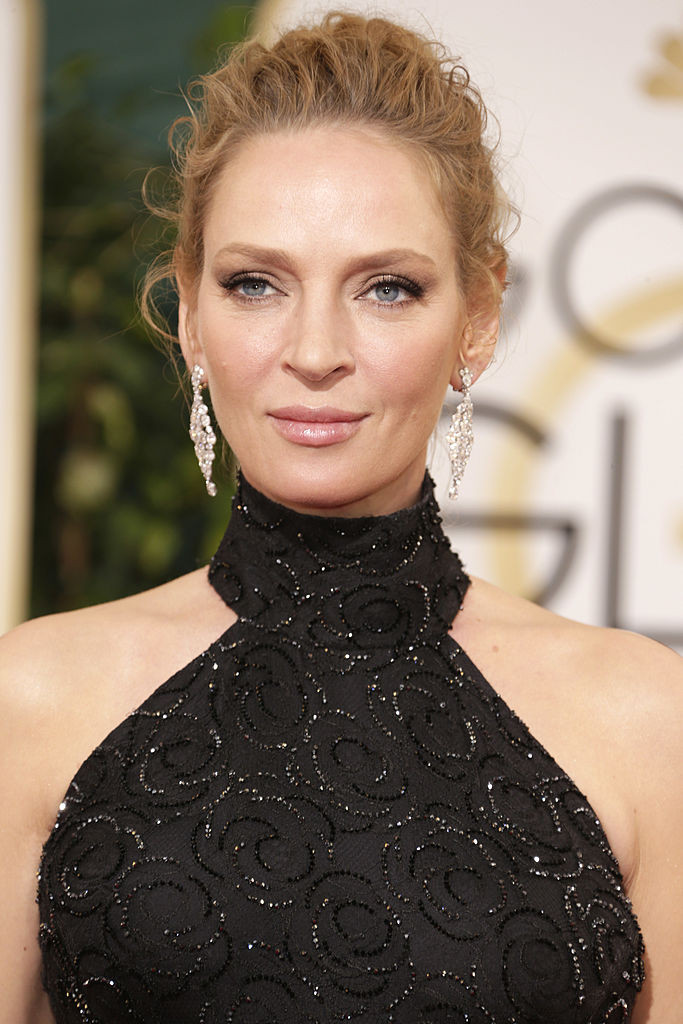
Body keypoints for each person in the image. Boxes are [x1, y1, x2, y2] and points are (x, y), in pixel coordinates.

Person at [1, 11, 681, 1023]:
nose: (314, 351)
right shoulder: (33, 701)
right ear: (191, 314)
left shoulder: (641, 720)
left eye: (386, 288)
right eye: (255, 284)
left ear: (478, 317)